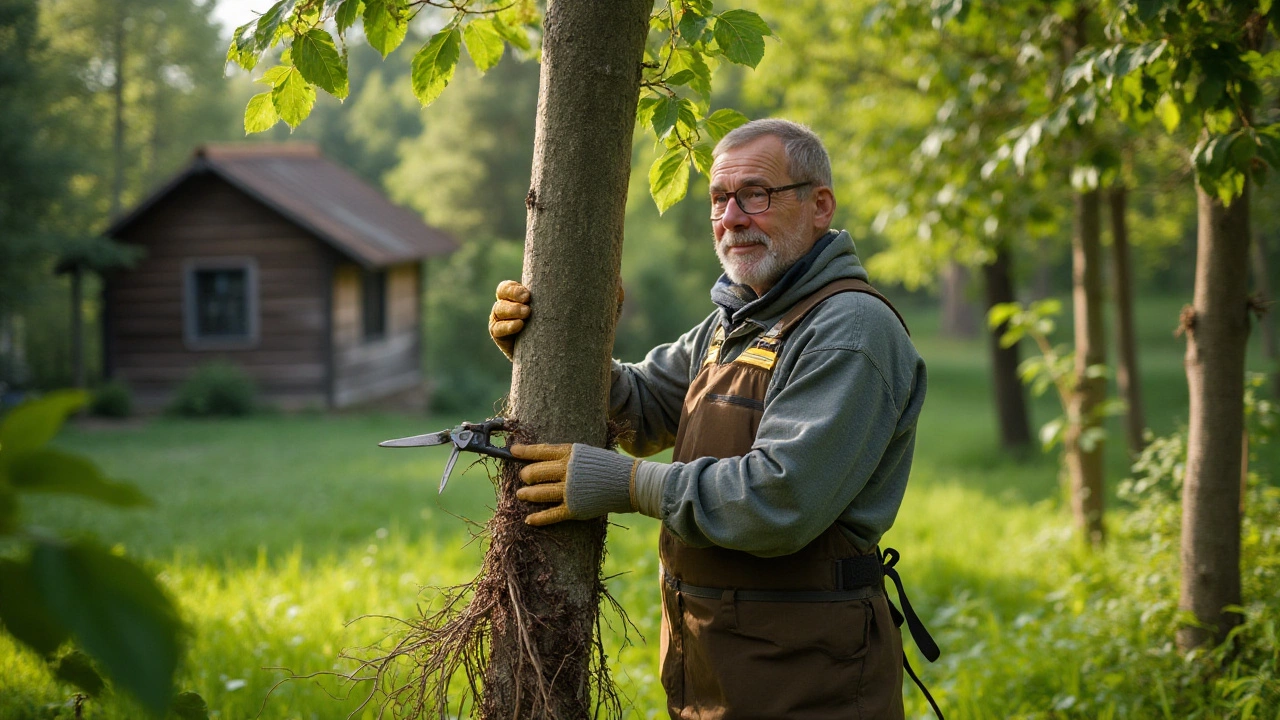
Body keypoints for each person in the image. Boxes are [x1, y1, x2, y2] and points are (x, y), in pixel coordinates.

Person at [489, 119, 937, 720]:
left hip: (810, 682)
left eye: (756, 194)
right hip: (716, 672)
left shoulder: (849, 331)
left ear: (819, 205)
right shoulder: (735, 320)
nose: (732, 218)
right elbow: (642, 406)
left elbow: (780, 499)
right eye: (719, 200)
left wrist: (624, 484)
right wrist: (555, 344)